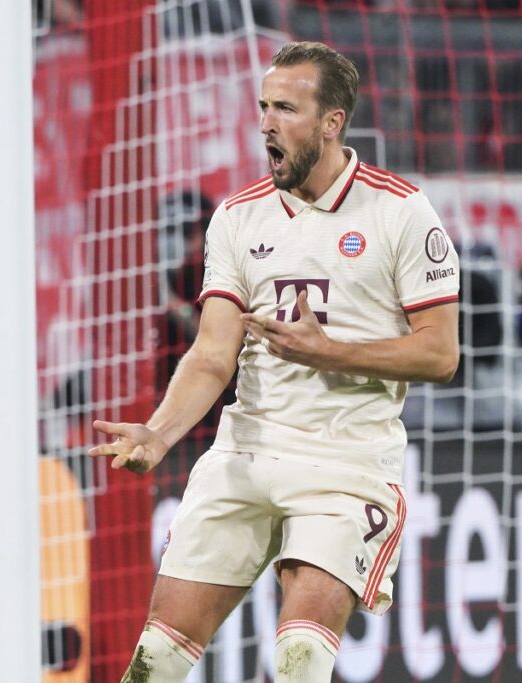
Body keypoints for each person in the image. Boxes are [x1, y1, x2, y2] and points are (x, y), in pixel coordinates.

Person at [89, 41, 460, 682]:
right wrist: (159, 431)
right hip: (246, 453)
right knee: (153, 664)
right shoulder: (237, 217)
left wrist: (329, 352)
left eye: (285, 108)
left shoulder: (400, 212)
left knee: (299, 661)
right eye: (263, 107)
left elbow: (440, 352)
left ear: (330, 122)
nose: (266, 122)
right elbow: (211, 354)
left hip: (344, 466)